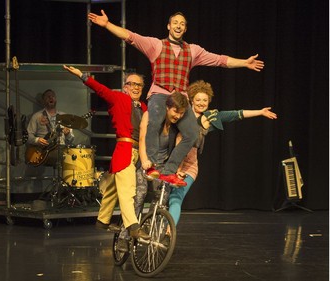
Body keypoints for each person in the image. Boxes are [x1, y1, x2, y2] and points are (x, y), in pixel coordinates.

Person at [88, 10, 265, 187]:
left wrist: (244, 62)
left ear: (185, 28)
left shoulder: (193, 50)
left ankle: (169, 171)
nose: (178, 26)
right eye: (175, 23)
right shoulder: (155, 45)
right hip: (160, 94)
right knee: (154, 122)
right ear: (169, 26)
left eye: (182, 24)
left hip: (180, 98)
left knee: (192, 133)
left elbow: (219, 60)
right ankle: (151, 166)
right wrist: (107, 25)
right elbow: (131, 36)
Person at [169, 80, 277, 226]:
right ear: (192, 100)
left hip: (189, 165)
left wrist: (260, 112)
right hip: (171, 160)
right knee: (161, 197)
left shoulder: (210, 117)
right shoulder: (182, 113)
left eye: (205, 100)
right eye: (198, 99)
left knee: (176, 196)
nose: (202, 103)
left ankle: (168, 231)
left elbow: (234, 114)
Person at [63, 64, 150, 240]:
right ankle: (133, 226)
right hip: (124, 151)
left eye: (138, 85)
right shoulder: (118, 98)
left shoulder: (144, 107)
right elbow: (100, 89)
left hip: (138, 153)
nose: (135, 87)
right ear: (125, 86)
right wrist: (82, 75)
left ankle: (102, 221)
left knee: (112, 189)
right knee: (127, 191)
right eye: (131, 84)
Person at [116, 91, 189, 252]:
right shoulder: (151, 115)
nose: (178, 116)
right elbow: (142, 138)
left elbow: (179, 149)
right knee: (139, 196)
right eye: (175, 111)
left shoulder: (177, 127)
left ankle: (148, 225)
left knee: (161, 198)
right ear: (167, 108)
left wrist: (178, 170)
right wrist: (144, 160)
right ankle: (124, 236)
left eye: (181, 113)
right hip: (145, 161)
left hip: (162, 166)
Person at [26, 89, 75, 167]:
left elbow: (71, 139)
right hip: (44, 151)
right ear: (43, 101)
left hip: (61, 148)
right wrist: (37, 140)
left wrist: (68, 133)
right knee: (67, 157)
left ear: (56, 99)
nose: (51, 98)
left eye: (53, 96)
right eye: (48, 97)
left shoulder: (64, 116)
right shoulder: (37, 116)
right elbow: (27, 136)